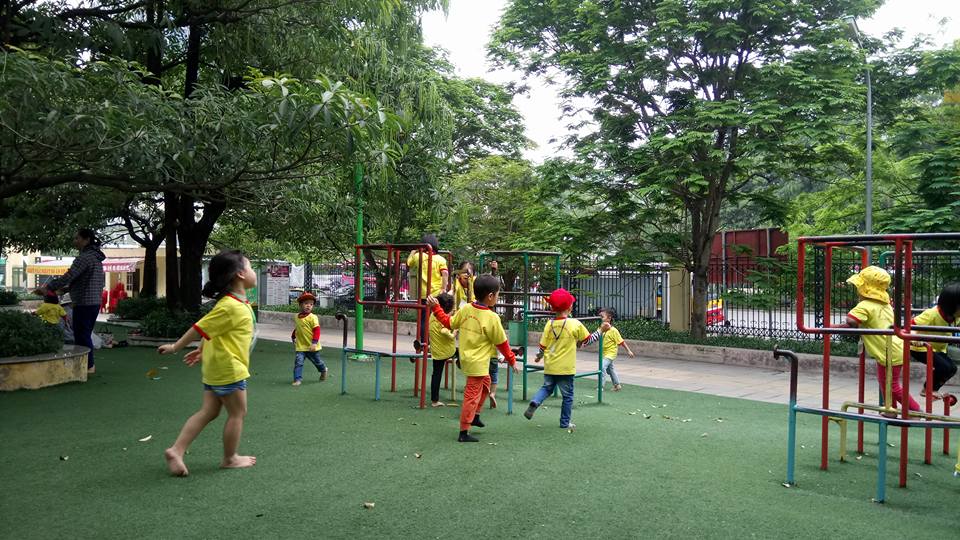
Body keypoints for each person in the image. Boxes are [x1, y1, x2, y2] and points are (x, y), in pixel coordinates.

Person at [158, 250, 258, 477]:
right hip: (229, 369)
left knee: (209, 411)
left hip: (217, 368)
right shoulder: (230, 306)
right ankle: (230, 458)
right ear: (240, 274)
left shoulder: (234, 303)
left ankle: (177, 450)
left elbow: (213, 330)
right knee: (238, 413)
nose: (253, 272)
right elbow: (199, 328)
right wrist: (175, 347)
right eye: (251, 267)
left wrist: (202, 349)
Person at [426, 274, 520, 442]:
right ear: (490, 296)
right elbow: (502, 343)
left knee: (486, 384)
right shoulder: (492, 318)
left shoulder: (467, 309)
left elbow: (448, 322)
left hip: (468, 360)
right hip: (477, 364)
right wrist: (512, 360)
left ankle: (475, 415)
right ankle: (464, 431)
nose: (497, 297)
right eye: (497, 295)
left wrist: (436, 308)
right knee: (471, 396)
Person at [840, 266, 920, 414]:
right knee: (886, 382)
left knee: (892, 386)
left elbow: (851, 320)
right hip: (896, 347)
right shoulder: (885, 305)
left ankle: (915, 410)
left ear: (864, 289)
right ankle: (891, 409)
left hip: (888, 351)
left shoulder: (864, 306)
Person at [523, 288, 597, 429]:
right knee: (567, 396)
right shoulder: (575, 324)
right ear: (569, 307)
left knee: (546, 388)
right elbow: (588, 340)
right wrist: (601, 331)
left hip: (550, 366)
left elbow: (542, 346)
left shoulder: (549, 324)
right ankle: (564, 422)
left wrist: (539, 357)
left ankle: (535, 401)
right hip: (566, 368)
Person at [40, 228, 105, 374]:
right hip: (94, 301)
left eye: (77, 238)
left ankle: (88, 366)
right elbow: (84, 281)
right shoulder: (95, 258)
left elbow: (69, 276)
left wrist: (49, 287)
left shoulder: (84, 258)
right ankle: (87, 364)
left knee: (82, 335)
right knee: (84, 334)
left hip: (84, 302)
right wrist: (66, 289)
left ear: (86, 240)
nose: (74, 241)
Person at [908, 283, 960, 399]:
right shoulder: (931, 314)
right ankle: (928, 389)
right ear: (951, 305)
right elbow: (912, 325)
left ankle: (931, 389)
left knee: (952, 368)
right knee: (944, 367)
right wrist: (914, 337)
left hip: (938, 349)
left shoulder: (955, 317)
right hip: (920, 348)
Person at [407, 234, 448, 353]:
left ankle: (425, 343)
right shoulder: (440, 259)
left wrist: (413, 252)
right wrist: (443, 288)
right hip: (436, 294)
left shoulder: (418, 256)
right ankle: (437, 342)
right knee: (438, 317)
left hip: (424, 294)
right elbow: (445, 273)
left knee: (423, 320)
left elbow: (409, 263)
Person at [290, 292, 327, 386]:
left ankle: (323, 370)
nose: (308, 306)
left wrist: (314, 343)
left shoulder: (313, 317)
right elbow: (298, 328)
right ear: (300, 305)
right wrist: (293, 336)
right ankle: (297, 379)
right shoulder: (296, 317)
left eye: (311, 304)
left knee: (317, 362)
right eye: (306, 303)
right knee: (298, 362)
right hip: (301, 346)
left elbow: (317, 330)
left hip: (311, 346)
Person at [428, 293, 457, 407]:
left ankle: (434, 400)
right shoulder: (444, 322)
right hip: (446, 351)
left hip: (436, 350)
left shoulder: (433, 314)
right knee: (461, 353)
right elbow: (448, 332)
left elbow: (442, 302)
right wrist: (455, 332)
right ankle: (461, 363)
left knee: (436, 374)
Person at [597, 308, 635, 391]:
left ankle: (601, 386)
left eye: (602, 316)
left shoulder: (613, 330)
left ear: (609, 318)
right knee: (610, 369)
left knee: (602, 367)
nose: (600, 318)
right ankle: (617, 385)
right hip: (603, 353)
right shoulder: (600, 328)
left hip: (610, 353)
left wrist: (629, 351)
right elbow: (595, 337)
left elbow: (621, 341)